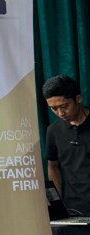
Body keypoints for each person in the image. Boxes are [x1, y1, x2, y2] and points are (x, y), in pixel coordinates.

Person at [43, 74, 90, 216]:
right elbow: (53, 166)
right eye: (53, 108)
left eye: (64, 106)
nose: (60, 113)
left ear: (78, 98)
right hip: (74, 210)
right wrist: (57, 205)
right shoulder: (53, 131)